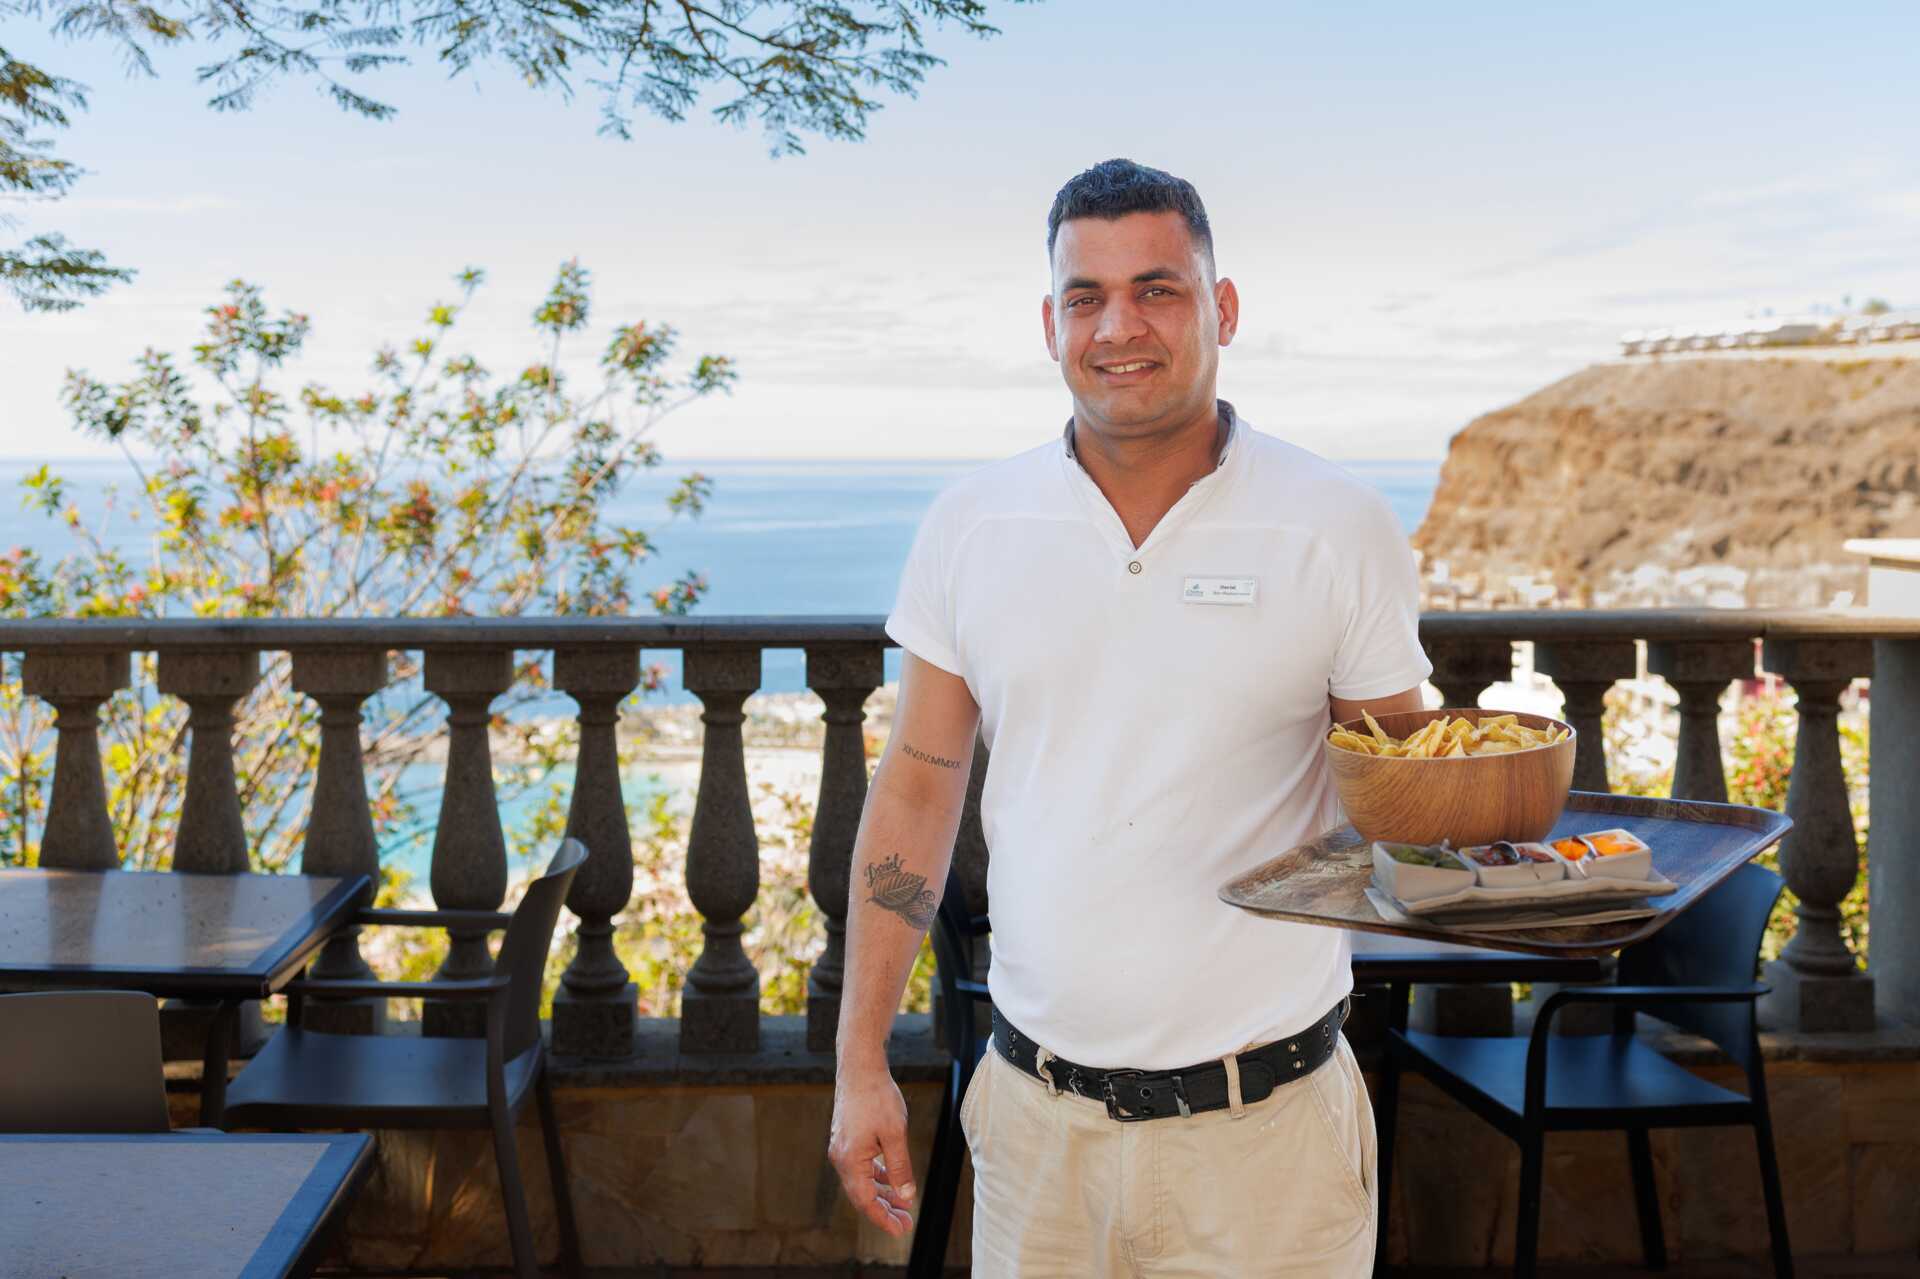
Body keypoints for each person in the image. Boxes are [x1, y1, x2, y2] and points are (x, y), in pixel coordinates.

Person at [826, 157, 1431, 1277]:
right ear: (1049, 323)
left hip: (1269, 1145)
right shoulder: (973, 526)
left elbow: (1401, 796)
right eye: (1086, 296)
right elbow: (914, 792)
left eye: (1158, 289)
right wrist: (860, 1061)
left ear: (1223, 308)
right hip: (1037, 1137)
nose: (1119, 327)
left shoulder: (1335, 525)